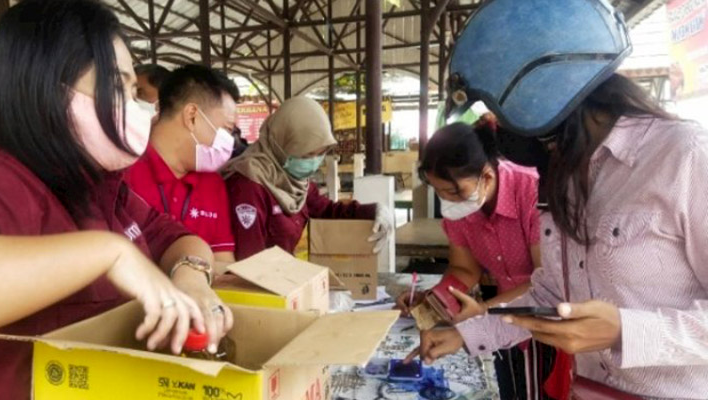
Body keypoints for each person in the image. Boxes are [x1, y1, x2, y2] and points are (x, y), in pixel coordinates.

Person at [0, 1, 231, 398]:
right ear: (50, 82)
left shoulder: (97, 184)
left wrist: (192, 277)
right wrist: (108, 254)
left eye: (134, 91)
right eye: (118, 86)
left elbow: (173, 236)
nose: (138, 109)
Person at [409, 0, 708, 398]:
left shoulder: (685, 156)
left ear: (545, 96)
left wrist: (627, 330)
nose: (500, 133)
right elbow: (549, 295)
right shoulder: (565, 175)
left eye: (502, 116)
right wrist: (466, 333)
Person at [395, 121, 557, 399]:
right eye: (439, 191)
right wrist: (433, 301)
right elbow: (463, 269)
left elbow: (545, 282)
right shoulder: (461, 208)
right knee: (511, 386)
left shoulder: (532, 191)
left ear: (487, 177)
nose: (447, 201)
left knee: (538, 389)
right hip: (500, 319)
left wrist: (483, 310)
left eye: (454, 191)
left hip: (543, 317)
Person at [223, 96, 393, 261]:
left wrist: (372, 211)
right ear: (281, 144)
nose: (313, 162)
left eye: (320, 153)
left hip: (282, 279)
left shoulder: (296, 181)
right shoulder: (248, 185)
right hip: (258, 284)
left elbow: (325, 210)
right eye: (307, 154)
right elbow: (250, 264)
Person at [126, 64, 239, 264]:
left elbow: (223, 262)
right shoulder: (122, 174)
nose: (229, 141)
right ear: (192, 116)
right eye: (227, 129)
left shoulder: (213, 184)